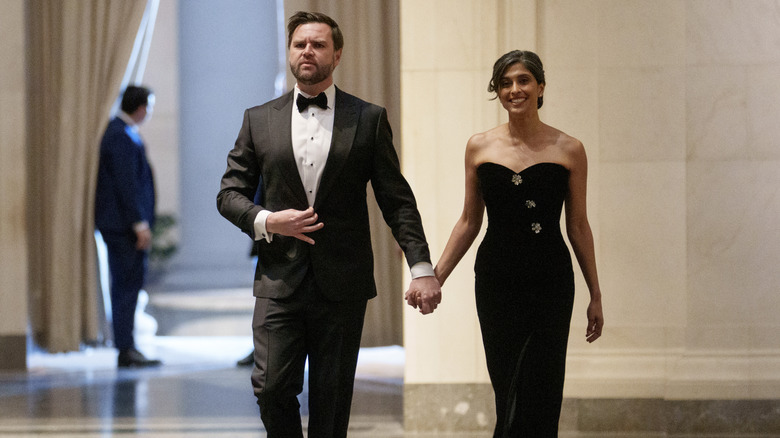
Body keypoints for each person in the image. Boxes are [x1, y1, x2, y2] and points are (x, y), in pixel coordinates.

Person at [216, 11, 441, 437]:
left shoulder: (368, 118)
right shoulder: (258, 118)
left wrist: (422, 267)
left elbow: (397, 200)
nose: (307, 51)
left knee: (332, 401)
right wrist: (268, 220)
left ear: (336, 55)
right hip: (279, 279)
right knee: (269, 388)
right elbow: (229, 195)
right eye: (300, 44)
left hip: (343, 282)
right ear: (289, 52)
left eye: (318, 44)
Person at [429, 50, 604, 437]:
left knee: (543, 387)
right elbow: (469, 222)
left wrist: (595, 293)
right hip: (496, 280)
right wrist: (435, 277)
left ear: (540, 87)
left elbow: (578, 225)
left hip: (551, 281)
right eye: (505, 83)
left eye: (523, 80)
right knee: (508, 384)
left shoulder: (569, 148)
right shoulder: (479, 146)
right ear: (497, 90)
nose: (515, 89)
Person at [95, 85, 162, 368]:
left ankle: (127, 345)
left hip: (125, 226)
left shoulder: (124, 133)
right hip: (124, 228)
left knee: (129, 285)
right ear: (141, 106)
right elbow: (127, 185)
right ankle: (126, 347)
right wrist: (139, 223)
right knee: (126, 285)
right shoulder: (119, 135)